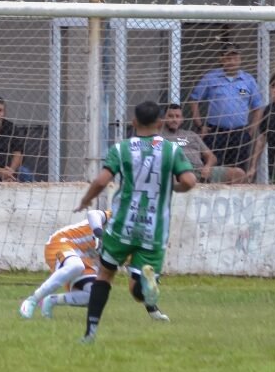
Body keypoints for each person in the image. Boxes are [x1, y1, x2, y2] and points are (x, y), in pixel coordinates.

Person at [74, 101, 196, 344]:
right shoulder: (171, 150)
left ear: (134, 122)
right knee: (138, 291)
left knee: (104, 275)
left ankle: (90, 333)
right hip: (154, 229)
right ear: (160, 123)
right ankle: (146, 283)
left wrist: (86, 200)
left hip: (123, 225)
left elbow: (101, 181)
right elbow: (190, 181)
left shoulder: (121, 149)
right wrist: (172, 187)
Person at [19, 210, 110, 319]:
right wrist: (99, 235)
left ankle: (51, 300)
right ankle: (32, 300)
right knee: (76, 266)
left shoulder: (128, 244)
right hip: (61, 241)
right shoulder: (120, 216)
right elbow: (93, 214)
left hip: (85, 257)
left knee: (96, 295)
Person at [189, 42, 264, 170]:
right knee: (213, 169)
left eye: (235, 58)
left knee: (238, 170)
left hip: (239, 134)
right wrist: (200, 125)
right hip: (215, 133)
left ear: (240, 59)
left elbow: (258, 107)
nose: (232, 62)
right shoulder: (210, 78)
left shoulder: (248, 80)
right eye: (228, 58)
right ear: (221, 59)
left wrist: (251, 129)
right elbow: (194, 100)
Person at [161, 104, 245, 184]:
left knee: (238, 173)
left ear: (182, 119)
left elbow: (211, 157)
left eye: (177, 116)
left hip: (200, 171)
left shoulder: (191, 135)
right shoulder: (159, 136)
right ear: (163, 118)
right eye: (170, 116)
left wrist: (207, 167)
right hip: (178, 172)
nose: (174, 120)